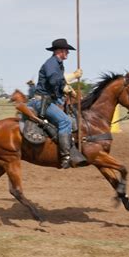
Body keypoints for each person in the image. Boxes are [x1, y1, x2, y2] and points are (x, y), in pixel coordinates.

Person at [29, 38, 82, 169]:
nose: (68, 53)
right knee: (66, 121)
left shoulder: (58, 64)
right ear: (60, 51)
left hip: (50, 100)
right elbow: (54, 81)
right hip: (42, 102)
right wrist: (72, 76)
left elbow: (59, 83)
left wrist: (69, 89)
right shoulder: (51, 64)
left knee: (73, 119)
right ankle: (66, 156)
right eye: (66, 51)